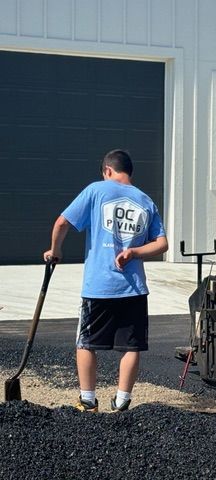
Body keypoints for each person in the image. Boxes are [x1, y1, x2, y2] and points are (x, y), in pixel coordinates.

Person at [43, 149, 168, 412]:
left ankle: (88, 400)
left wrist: (56, 251)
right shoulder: (145, 201)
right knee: (131, 346)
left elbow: (62, 223)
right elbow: (162, 244)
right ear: (129, 172)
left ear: (107, 171)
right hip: (133, 288)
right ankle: (122, 401)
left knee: (86, 342)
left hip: (98, 286)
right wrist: (134, 252)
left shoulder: (97, 190)